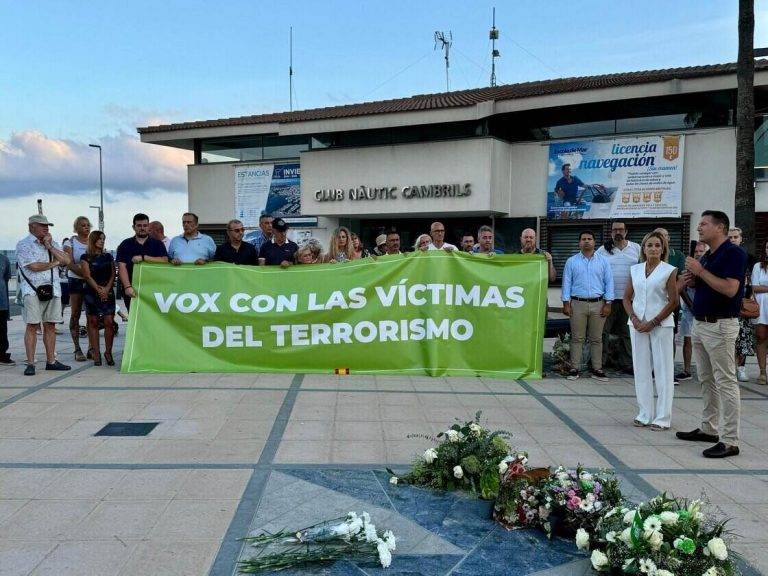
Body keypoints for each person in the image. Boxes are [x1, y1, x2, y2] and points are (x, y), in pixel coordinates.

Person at [677, 211, 746, 459]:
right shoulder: (708, 255)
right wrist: (692, 280)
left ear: (720, 227)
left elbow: (730, 289)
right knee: (706, 379)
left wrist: (700, 271)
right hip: (701, 323)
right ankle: (709, 428)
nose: (699, 228)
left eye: (704, 224)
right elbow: (706, 284)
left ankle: (730, 440)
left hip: (720, 325)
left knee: (725, 381)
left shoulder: (733, 253)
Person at [623, 231, 679, 430]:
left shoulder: (669, 270)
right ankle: (644, 413)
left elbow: (673, 301)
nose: (653, 249)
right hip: (637, 325)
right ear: (643, 249)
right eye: (650, 245)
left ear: (663, 249)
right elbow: (626, 298)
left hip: (661, 325)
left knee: (663, 370)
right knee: (641, 369)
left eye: (657, 245)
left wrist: (654, 322)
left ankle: (662, 417)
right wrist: (634, 318)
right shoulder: (635, 270)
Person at [16, 214, 72, 376]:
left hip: (53, 289)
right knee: (32, 326)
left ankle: (51, 361)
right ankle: (30, 363)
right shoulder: (24, 244)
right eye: (42, 225)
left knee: (50, 325)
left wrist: (50, 247)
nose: (46, 228)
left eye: (47, 225)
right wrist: (55, 263)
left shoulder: (52, 243)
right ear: (32, 226)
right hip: (32, 290)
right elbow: (33, 266)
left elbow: (67, 260)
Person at [561, 230, 614, 381]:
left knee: (596, 338)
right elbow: (566, 283)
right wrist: (566, 303)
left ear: (594, 242)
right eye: (583, 239)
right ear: (579, 243)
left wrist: (608, 303)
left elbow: (609, 282)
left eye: (589, 239)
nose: (586, 241)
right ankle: (574, 368)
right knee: (577, 338)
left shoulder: (603, 261)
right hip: (577, 304)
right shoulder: (572, 261)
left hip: (598, 304)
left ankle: (597, 369)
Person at [596, 222, 640, 374]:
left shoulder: (636, 248)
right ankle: (599, 363)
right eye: (614, 230)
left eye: (620, 229)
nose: (617, 232)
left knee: (627, 332)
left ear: (626, 231)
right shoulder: (602, 250)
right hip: (608, 299)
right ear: (611, 232)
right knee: (603, 332)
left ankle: (626, 364)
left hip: (630, 299)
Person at [116, 213, 169, 311]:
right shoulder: (125, 244)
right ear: (134, 227)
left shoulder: (157, 244)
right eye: (139, 225)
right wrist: (127, 287)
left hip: (154, 290)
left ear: (148, 227)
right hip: (132, 289)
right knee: (134, 316)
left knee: (153, 317)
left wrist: (144, 258)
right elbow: (122, 266)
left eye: (145, 225)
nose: (142, 228)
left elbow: (164, 260)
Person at [80, 230, 116, 367]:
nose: (102, 241)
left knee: (109, 322)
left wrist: (106, 289)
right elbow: (87, 276)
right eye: (100, 238)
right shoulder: (85, 257)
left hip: (108, 291)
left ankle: (108, 352)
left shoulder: (108, 256)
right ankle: (96, 353)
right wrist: (98, 290)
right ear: (93, 240)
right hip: (91, 291)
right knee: (93, 321)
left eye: (103, 239)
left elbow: (113, 274)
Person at [675, 241, 708, 381]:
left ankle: (706, 371)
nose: (698, 254)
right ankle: (687, 370)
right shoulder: (687, 268)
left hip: (706, 309)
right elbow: (681, 289)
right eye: (696, 251)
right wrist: (690, 305)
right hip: (690, 309)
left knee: (706, 342)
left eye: (701, 251)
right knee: (688, 340)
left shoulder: (708, 267)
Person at [62, 216, 91, 362]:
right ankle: (77, 348)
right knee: (75, 314)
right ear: (77, 228)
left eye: (88, 225)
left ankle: (92, 347)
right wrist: (85, 274)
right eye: (83, 225)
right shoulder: (70, 242)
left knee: (92, 315)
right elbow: (69, 262)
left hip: (91, 281)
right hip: (76, 280)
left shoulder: (93, 241)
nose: (86, 227)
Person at [728, 227, 755, 382]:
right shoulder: (723, 256)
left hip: (744, 303)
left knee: (743, 337)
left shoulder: (749, 258)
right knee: (729, 340)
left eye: (735, 237)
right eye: (730, 237)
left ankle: (741, 368)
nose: (732, 240)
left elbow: (753, 281)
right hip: (727, 304)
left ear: (741, 239)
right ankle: (730, 368)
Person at [751, 239, 768, 386]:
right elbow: (754, 287)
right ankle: (762, 371)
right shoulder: (758, 266)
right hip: (762, 305)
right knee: (761, 337)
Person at [0, 251, 13, 365]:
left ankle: (2, 354)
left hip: (1, 301)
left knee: (2, 330)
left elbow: (6, 279)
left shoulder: (4, 259)